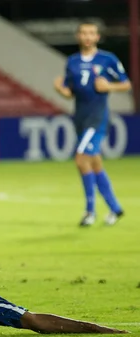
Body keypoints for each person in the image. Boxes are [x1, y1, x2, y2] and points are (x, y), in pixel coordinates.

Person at [53, 22, 131, 227]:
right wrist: (61, 91)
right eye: (84, 33)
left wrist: (109, 86)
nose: (88, 36)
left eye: (91, 33)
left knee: (80, 159)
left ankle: (90, 211)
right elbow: (71, 92)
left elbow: (126, 83)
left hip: (97, 118)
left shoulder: (107, 59)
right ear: (78, 36)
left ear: (97, 37)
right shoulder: (72, 62)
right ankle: (115, 208)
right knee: (94, 163)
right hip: (80, 117)